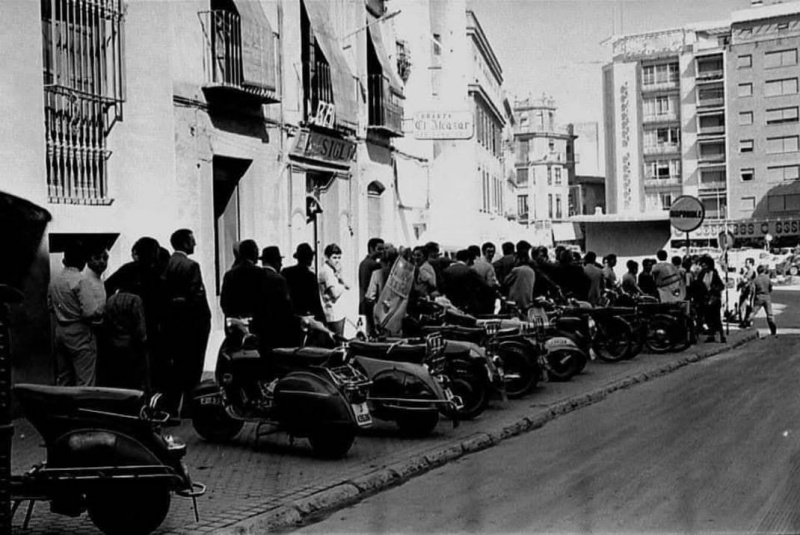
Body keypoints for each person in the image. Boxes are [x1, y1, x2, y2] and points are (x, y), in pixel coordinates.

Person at [162, 228, 211, 416]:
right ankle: (190, 408)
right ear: (184, 243)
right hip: (192, 327)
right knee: (192, 369)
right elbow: (197, 297)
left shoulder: (165, 264)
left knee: (174, 369)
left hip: (171, 326)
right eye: (192, 240)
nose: (195, 243)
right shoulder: (191, 266)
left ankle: (171, 407)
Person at [48, 241, 103, 386]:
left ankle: (63, 408)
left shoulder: (54, 281)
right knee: (85, 380)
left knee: (64, 378)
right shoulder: (81, 280)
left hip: (60, 331)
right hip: (80, 331)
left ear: (64, 260)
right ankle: (84, 408)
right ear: (84, 261)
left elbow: (50, 307)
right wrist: (100, 312)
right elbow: (90, 312)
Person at [100, 279, 149, 391]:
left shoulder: (111, 299)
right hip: (131, 345)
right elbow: (140, 328)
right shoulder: (135, 300)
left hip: (114, 344)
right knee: (134, 380)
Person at [257, 246, 298, 350]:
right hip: (277, 329)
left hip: (259, 328)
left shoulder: (255, 277)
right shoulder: (279, 280)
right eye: (280, 261)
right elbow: (287, 307)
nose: (281, 264)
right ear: (276, 262)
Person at [220, 239, 265, 319]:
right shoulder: (262, 274)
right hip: (256, 321)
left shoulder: (229, 275)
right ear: (254, 252)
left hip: (236, 320)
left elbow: (224, 302)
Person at [281, 243, 325, 321]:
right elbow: (316, 303)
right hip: (304, 317)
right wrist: (323, 321)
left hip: (288, 316)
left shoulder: (286, 272)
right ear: (309, 258)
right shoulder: (310, 276)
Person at [443, 249, 492, 315]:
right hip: (467, 305)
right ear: (468, 259)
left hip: (452, 303)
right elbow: (484, 286)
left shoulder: (447, 270)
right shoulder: (469, 271)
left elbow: (442, 287)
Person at [319, 243, 349, 336]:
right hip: (333, 313)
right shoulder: (326, 271)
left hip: (338, 312)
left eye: (339, 258)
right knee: (337, 341)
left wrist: (340, 276)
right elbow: (334, 293)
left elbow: (348, 285)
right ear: (327, 257)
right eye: (334, 257)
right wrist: (342, 287)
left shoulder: (332, 270)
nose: (337, 260)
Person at [358, 238, 384, 334]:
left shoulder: (363, 263)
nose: (382, 252)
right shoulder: (374, 265)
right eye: (379, 249)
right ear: (371, 248)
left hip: (364, 303)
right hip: (371, 304)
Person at [698, 256, 726, 343]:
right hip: (705, 299)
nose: (703, 265)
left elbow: (721, 286)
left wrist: (714, 290)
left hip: (714, 299)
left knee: (716, 319)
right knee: (708, 319)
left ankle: (722, 335)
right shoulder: (701, 274)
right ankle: (711, 336)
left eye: (704, 264)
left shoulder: (714, 274)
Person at [743, 265, 777, 335]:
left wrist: (751, 298)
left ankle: (746, 322)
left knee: (754, 311)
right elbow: (770, 288)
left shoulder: (756, 280)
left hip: (758, 297)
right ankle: (773, 330)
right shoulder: (767, 278)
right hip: (767, 297)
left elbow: (752, 290)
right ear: (764, 271)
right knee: (770, 314)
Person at [504, 242, 536, 311]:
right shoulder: (532, 271)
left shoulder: (516, 270)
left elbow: (505, 282)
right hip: (528, 303)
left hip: (515, 304)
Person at [737, 257, 756, 326]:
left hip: (748, 291)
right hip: (745, 290)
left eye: (746, 262)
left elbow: (745, 280)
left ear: (750, 263)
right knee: (745, 307)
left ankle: (745, 321)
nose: (745, 264)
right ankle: (745, 321)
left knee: (744, 307)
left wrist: (741, 278)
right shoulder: (747, 271)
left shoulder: (751, 271)